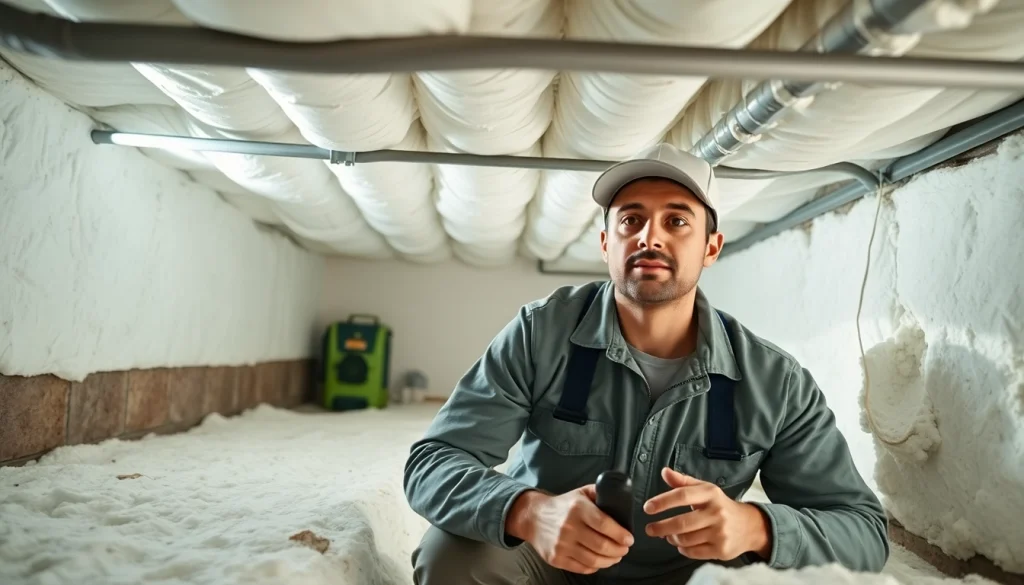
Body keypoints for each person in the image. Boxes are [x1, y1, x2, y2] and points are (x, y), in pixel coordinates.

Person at [403, 142, 890, 584]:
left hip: (690, 577)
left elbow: (863, 530)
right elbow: (433, 462)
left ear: (711, 248)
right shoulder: (540, 334)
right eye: (630, 220)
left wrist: (754, 526)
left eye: (676, 222)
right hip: (549, 564)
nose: (649, 237)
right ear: (606, 244)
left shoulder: (775, 382)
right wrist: (529, 512)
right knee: (452, 554)